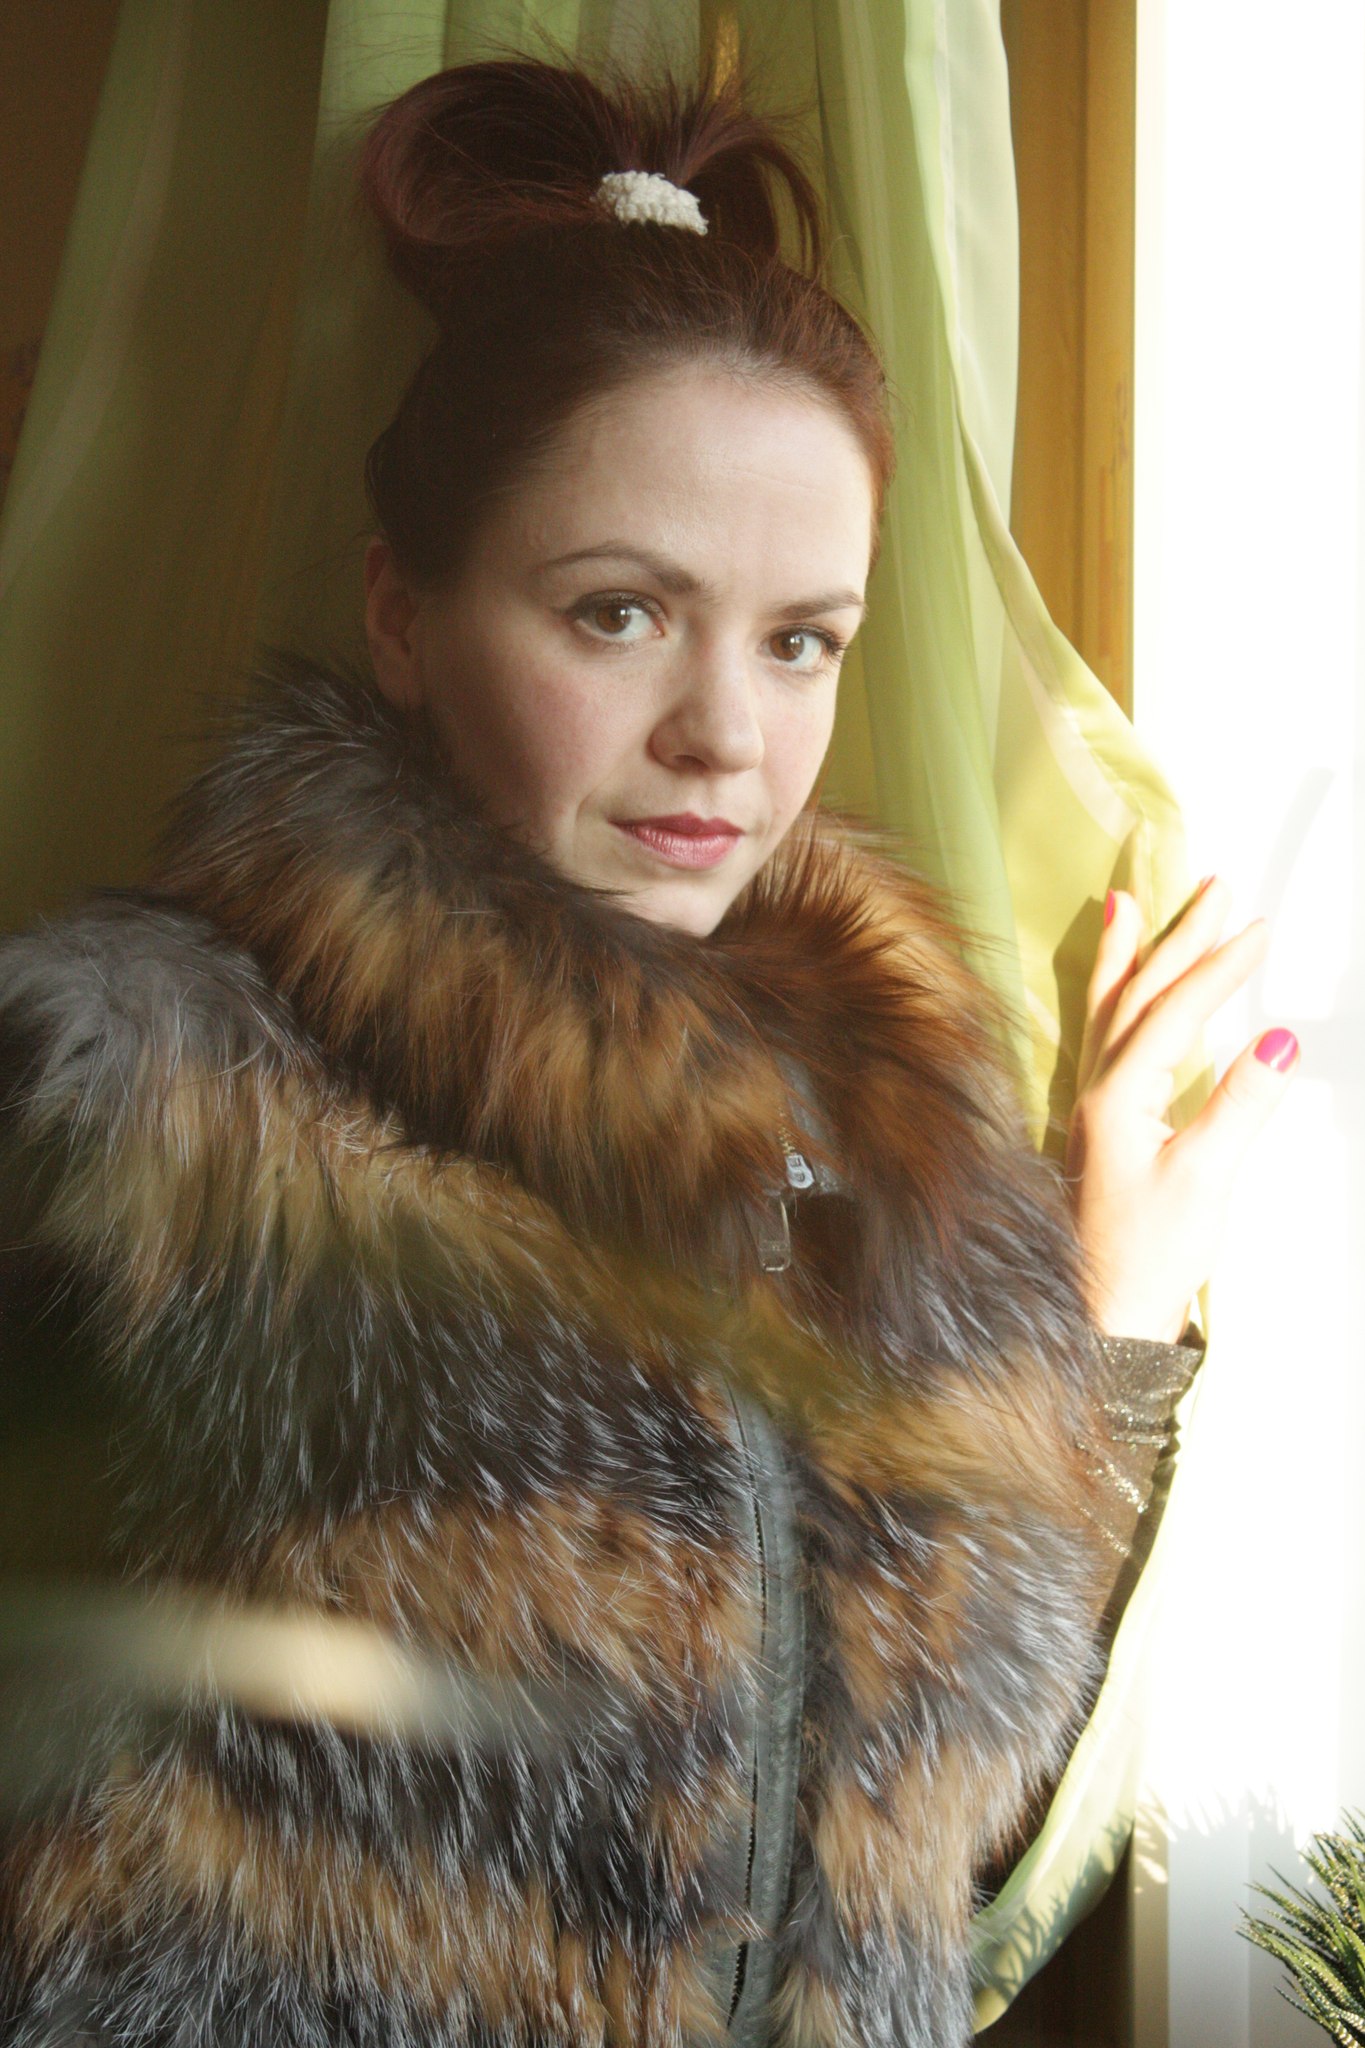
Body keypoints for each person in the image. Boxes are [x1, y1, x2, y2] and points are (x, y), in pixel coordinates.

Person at [0, 51, 1295, 2048]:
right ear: (405, 613)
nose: (724, 737)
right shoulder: (133, 1104)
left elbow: (932, 1898)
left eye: (799, 640)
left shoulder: (896, 1185)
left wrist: (1097, 1327)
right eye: (617, 614)